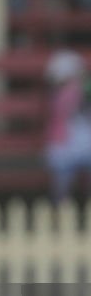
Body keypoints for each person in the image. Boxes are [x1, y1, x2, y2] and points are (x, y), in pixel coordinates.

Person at [45, 50, 91, 200]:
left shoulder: (84, 89)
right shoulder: (59, 96)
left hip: (83, 141)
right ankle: (60, 209)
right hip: (64, 144)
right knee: (62, 182)